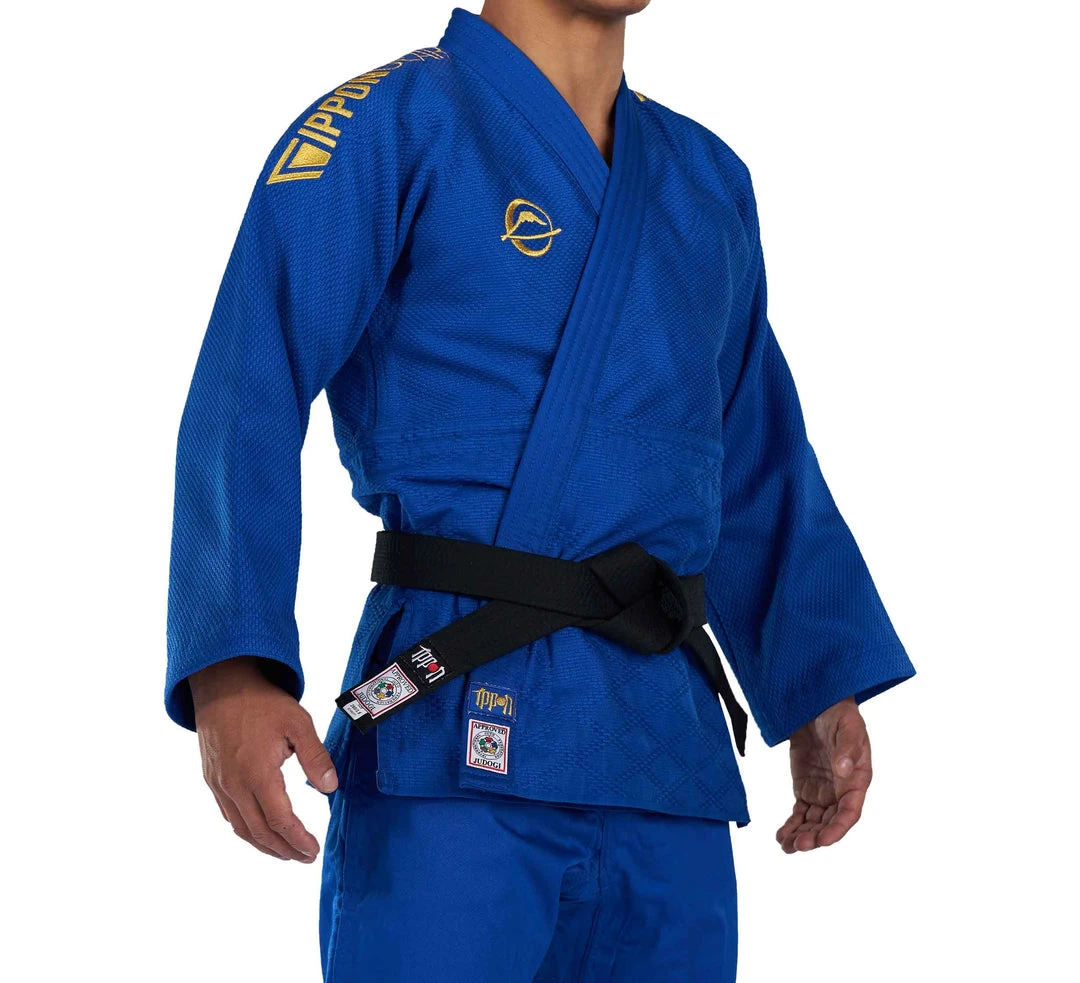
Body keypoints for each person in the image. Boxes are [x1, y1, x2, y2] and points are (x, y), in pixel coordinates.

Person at [165, 2, 916, 980]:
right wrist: (232, 668)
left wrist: (814, 677)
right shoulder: (388, 123)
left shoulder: (706, 181)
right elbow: (245, 387)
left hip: (664, 754)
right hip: (452, 726)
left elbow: (753, 454)